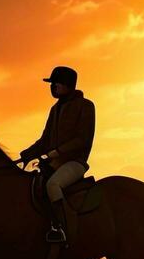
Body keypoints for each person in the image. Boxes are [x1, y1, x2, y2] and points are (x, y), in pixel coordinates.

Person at [19, 65, 95, 243]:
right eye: (51, 84)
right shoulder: (55, 109)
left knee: (53, 185)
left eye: (55, 83)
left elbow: (82, 139)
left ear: (68, 85)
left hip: (75, 163)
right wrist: (27, 153)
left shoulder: (86, 106)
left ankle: (61, 229)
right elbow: (44, 140)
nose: (52, 87)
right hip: (54, 163)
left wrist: (57, 152)